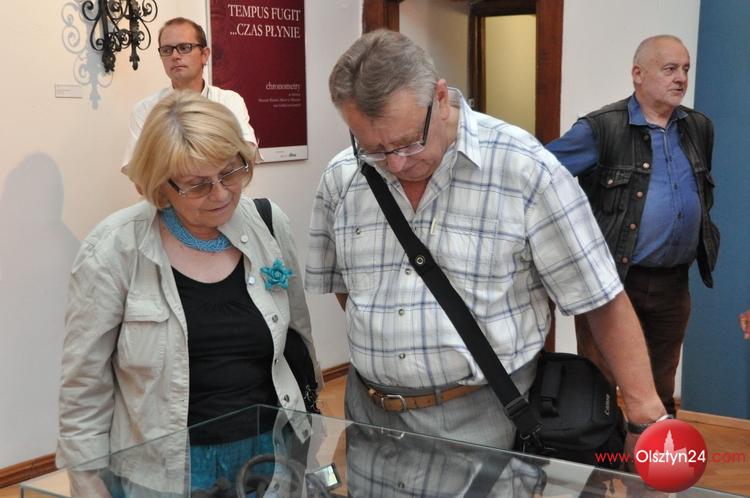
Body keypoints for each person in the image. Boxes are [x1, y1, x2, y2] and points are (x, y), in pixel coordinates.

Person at [305, 30, 666, 452]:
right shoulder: (343, 177)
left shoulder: (525, 168)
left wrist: (645, 414)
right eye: (374, 148)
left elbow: (599, 297)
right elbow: (348, 292)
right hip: (368, 416)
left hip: (486, 413)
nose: (396, 164)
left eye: (408, 142)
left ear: (440, 98)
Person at [57, 91, 321, 495]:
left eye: (231, 172)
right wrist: (86, 477)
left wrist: (312, 430)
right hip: (163, 470)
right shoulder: (114, 249)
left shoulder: (268, 225)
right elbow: (84, 383)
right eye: (198, 185)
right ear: (161, 185)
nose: (221, 194)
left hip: (268, 455)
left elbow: (299, 338)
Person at [546, 35, 719, 416]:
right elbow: (538, 176)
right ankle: (602, 454)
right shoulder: (601, 128)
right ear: (638, 74)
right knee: (600, 388)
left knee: (659, 386)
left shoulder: (699, 127)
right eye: (670, 69)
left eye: (685, 69)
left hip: (673, 283)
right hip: (612, 281)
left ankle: (654, 453)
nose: (681, 78)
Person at [121, 17, 258, 171]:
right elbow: (137, 170)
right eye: (166, 50)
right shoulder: (145, 110)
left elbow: (247, 155)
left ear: (204, 54)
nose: (175, 56)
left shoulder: (229, 101)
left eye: (184, 47)